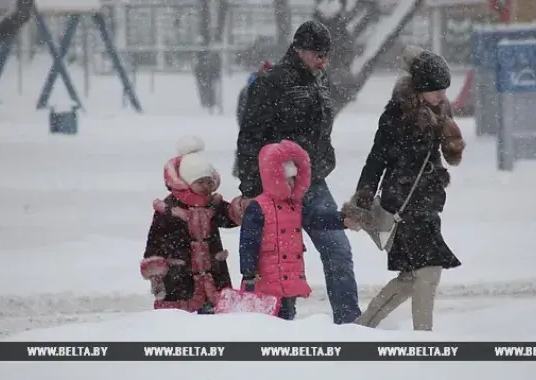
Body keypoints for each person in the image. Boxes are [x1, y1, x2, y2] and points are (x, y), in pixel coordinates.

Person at [235, 20, 360, 325]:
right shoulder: (271, 82)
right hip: (275, 188)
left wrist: (322, 160)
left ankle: (349, 323)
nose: (323, 61)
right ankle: (279, 326)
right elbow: (250, 136)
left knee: (338, 250)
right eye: (318, 54)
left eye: (326, 55)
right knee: (276, 262)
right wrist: (251, 188)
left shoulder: (320, 80)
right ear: (299, 50)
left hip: (313, 182)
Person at [342, 46, 465, 331]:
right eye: (436, 90)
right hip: (404, 205)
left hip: (428, 203)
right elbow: (376, 161)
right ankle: (423, 338)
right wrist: (361, 203)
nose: (443, 96)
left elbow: (446, 157)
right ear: (420, 88)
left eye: (444, 89)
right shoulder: (396, 116)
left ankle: (362, 328)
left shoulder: (440, 111)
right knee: (428, 270)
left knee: (411, 277)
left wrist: (452, 144)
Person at [140, 136, 245, 314]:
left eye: (208, 181)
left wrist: (242, 209)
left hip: (213, 271)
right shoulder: (168, 209)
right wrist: (155, 271)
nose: (206, 186)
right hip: (180, 274)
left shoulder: (213, 203)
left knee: (214, 313)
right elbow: (155, 239)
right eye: (200, 182)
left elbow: (228, 218)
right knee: (182, 317)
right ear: (187, 182)